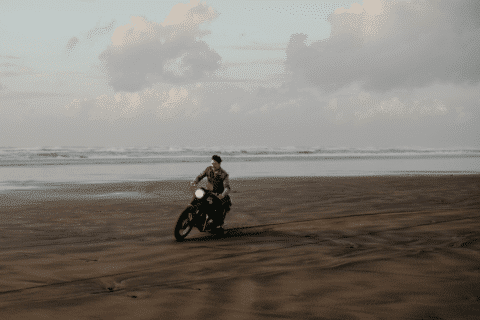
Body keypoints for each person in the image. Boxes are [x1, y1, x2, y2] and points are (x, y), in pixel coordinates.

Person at [191, 155, 232, 227]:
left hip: (218, 194)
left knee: (215, 207)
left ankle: (218, 224)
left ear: (219, 164)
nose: (213, 165)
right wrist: (195, 182)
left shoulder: (224, 174)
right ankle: (191, 211)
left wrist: (222, 194)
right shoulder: (208, 169)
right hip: (208, 191)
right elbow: (200, 176)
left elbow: (227, 187)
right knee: (198, 196)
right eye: (212, 163)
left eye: (215, 164)